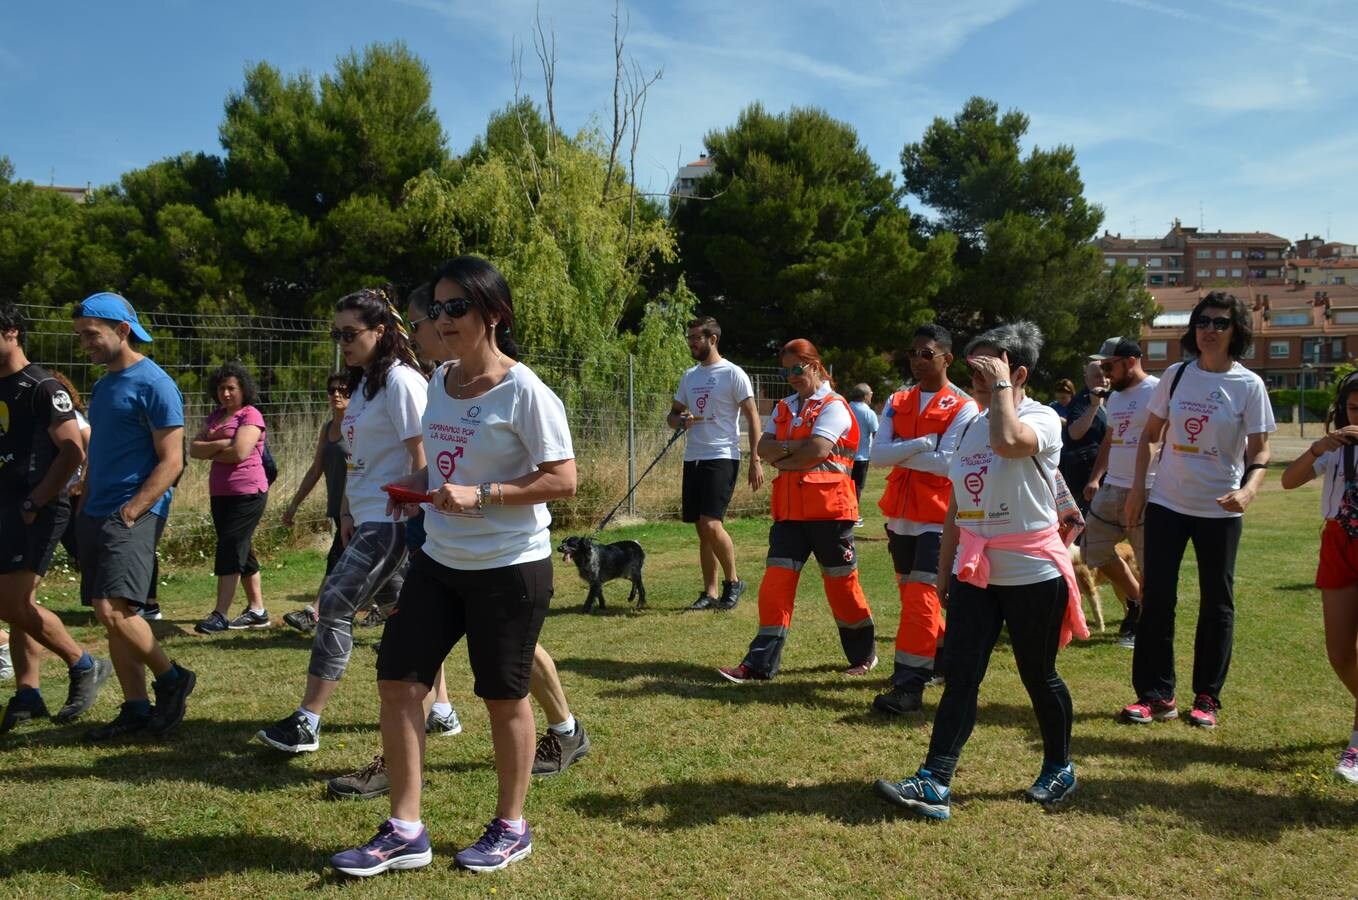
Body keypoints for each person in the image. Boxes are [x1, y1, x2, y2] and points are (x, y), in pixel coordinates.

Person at [330, 256, 576, 877]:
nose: (441, 319)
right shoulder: (439, 381)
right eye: (435, 309)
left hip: (508, 566)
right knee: (399, 682)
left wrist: (484, 495)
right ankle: (405, 829)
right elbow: (444, 465)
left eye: (456, 307)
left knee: (501, 696)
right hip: (438, 558)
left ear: (493, 313)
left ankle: (511, 826)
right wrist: (415, 481)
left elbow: (563, 479)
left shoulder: (526, 391)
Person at [874, 320, 1086, 821]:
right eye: (975, 365)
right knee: (962, 675)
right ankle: (934, 780)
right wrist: (946, 569)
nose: (977, 373)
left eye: (989, 364)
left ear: (1019, 371)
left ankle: (1059, 766)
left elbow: (1012, 442)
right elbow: (956, 504)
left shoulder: (1043, 418)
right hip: (975, 569)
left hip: (1033, 569)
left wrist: (1004, 388)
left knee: (1039, 675)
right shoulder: (969, 424)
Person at [256, 287, 426, 753]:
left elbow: (420, 451)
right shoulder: (364, 385)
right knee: (406, 615)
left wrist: (409, 509)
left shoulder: (400, 381)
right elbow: (355, 457)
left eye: (350, 333)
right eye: (337, 334)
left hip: (392, 520)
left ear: (380, 331)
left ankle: (308, 721)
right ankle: (443, 711)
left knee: (333, 602)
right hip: (366, 516)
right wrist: (348, 509)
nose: (342, 342)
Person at [1121, 291, 1274, 730]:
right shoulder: (1177, 375)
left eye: (1220, 323)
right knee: (1157, 599)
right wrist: (1138, 488)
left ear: (1235, 331)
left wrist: (1249, 491)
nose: (1209, 330)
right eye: (1203, 321)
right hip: (1169, 502)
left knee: (1217, 604)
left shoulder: (1249, 385)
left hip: (1220, 509)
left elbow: (1261, 450)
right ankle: (1155, 695)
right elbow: (1151, 434)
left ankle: (1207, 696)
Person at [71, 292, 195, 740]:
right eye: (80, 336)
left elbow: (172, 460)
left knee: (115, 608)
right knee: (109, 615)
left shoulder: (155, 383)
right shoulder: (104, 385)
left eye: (91, 335)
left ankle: (173, 679)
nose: (84, 344)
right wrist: (85, 495)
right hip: (96, 510)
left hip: (131, 511)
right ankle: (136, 708)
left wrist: (133, 509)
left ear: (122, 330)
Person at [717, 339, 876, 683]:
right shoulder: (785, 406)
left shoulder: (834, 406)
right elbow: (763, 446)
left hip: (830, 513)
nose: (791, 376)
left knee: (842, 588)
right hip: (789, 514)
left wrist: (784, 453)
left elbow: (817, 451)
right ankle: (758, 665)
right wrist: (791, 449)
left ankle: (863, 654)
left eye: (797, 369)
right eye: (785, 370)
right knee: (775, 587)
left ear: (816, 366)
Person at [0, 301, 113, 733]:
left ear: (12, 332)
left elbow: (73, 450)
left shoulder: (42, 387)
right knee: (14, 604)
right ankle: (28, 693)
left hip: (38, 509)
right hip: (7, 506)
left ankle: (84, 663)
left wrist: (36, 501)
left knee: (12, 601)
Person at [869, 324, 977, 715]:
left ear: (947, 358)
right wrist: (917, 446)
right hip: (900, 516)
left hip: (938, 518)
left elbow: (947, 464)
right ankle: (943, 659)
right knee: (912, 596)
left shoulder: (964, 406)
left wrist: (897, 451)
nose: (916, 360)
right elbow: (875, 456)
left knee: (920, 599)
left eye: (926, 353)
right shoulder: (897, 400)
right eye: (913, 353)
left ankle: (909, 685)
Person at [1281, 373, 1358, 784]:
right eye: (1353, 409)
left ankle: (1357, 743)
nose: (1357, 417)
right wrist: (1317, 448)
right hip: (1340, 544)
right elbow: (1288, 481)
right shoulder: (1335, 450)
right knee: (1341, 653)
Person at [668, 317, 764, 611]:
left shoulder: (733, 374)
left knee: (711, 523)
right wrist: (679, 421)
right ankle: (709, 592)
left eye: (696, 337)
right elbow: (672, 416)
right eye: (689, 338)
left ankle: (733, 582)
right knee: (702, 528)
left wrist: (755, 459)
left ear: (713, 339)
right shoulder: (690, 376)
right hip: (693, 457)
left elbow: (753, 417)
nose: (691, 343)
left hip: (722, 456)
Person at [1081, 337, 1158, 648]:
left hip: (1151, 488)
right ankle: (1137, 599)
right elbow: (1110, 441)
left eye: (1108, 365)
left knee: (1148, 561)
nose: (1104, 372)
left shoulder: (1157, 390)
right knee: (1091, 547)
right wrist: (1096, 477)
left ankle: (1145, 626)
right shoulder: (1116, 399)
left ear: (1130, 361)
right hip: (1113, 485)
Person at [191, 362, 271, 634]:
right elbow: (193, 449)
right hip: (221, 493)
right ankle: (258, 611)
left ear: (243, 390)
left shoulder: (251, 415)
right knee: (241, 547)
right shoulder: (215, 418)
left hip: (248, 493)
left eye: (231, 388)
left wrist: (211, 449)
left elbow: (239, 452)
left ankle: (220, 614)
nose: (225, 394)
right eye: (221, 388)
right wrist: (220, 445)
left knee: (230, 546)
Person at [280, 372, 351, 632]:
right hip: (338, 509)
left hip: (357, 508)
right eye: (332, 390)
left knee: (337, 558)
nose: (336, 395)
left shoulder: (358, 427)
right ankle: (386, 609)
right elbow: (315, 469)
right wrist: (294, 503)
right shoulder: (327, 428)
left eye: (343, 390)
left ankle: (315, 612)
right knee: (351, 563)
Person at [1060, 363, 1108, 515]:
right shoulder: (1082, 401)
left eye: (1106, 375)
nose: (1104, 380)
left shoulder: (1108, 398)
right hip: (1084, 477)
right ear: (1086, 380)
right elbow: (1074, 433)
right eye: (1097, 376)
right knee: (1086, 525)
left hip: (1101, 474)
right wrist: (1093, 407)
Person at [847, 383, 878, 528]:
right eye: (871, 393)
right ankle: (853, 515)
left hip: (845, 455)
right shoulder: (868, 412)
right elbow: (876, 432)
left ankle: (845, 512)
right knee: (857, 486)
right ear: (866, 396)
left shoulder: (845, 407)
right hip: (861, 456)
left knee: (845, 485)